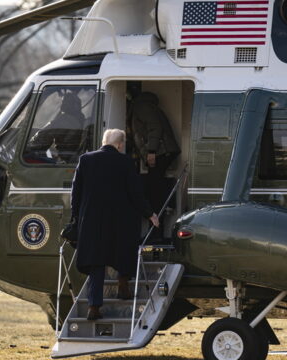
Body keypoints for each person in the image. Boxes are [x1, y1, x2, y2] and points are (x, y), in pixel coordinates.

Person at [70, 129, 159, 320]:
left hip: (92, 220)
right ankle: (123, 287)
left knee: (96, 262)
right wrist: (150, 213)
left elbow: (75, 193)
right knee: (123, 251)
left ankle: (93, 307)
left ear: (104, 141)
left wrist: (76, 217)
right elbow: (135, 193)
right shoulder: (126, 162)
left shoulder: (85, 160)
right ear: (120, 145)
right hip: (120, 219)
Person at [130, 92, 181, 240]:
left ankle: (155, 232)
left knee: (154, 194)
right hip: (163, 152)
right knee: (156, 191)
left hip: (160, 153)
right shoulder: (148, 106)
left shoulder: (141, 106)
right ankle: (156, 231)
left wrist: (151, 151)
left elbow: (155, 127)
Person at [26, 91, 89, 163]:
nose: (62, 105)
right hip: (75, 160)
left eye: (63, 102)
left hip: (66, 162)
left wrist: (27, 147)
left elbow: (39, 141)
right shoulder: (82, 120)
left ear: (65, 105)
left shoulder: (63, 121)